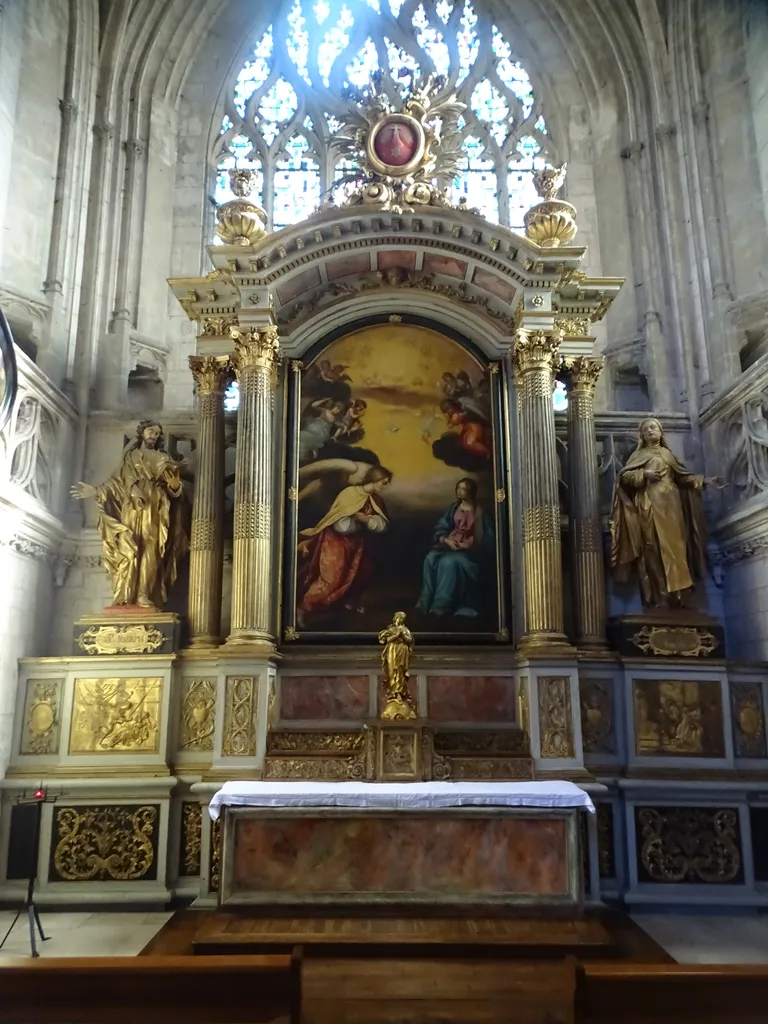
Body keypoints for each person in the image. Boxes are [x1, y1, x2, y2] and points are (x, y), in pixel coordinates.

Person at [71, 420, 188, 609]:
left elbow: (175, 490)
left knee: (150, 550)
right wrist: (95, 490)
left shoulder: (162, 458)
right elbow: (115, 483)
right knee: (129, 546)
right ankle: (124, 594)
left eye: (157, 433)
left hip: (155, 506)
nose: (153, 435)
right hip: (132, 507)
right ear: (142, 433)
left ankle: (144, 593)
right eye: (151, 431)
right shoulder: (130, 458)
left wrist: (175, 485)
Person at [610, 416, 724, 607]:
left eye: (653, 427)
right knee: (652, 548)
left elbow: (683, 477)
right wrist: (644, 474)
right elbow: (625, 477)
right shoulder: (639, 456)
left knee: (677, 549)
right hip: (648, 505)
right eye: (646, 429)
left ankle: (679, 595)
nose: (650, 431)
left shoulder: (668, 454)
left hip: (671, 505)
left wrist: (706, 480)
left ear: (661, 431)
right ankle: (660, 595)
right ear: (642, 436)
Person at [296, 464, 392, 625]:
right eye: (384, 482)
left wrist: (368, 520)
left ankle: (347, 602)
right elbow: (338, 522)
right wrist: (353, 519)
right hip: (335, 541)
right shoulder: (349, 493)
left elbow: (383, 525)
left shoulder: (375, 499)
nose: (385, 486)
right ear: (374, 479)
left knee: (358, 574)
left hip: (356, 543)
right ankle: (303, 609)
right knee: (331, 578)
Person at [416, 477, 494, 618]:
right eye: (458, 488)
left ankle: (441, 606)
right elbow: (442, 527)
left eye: (464, 489)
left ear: (471, 492)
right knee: (430, 558)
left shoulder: (480, 513)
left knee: (448, 562)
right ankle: (425, 602)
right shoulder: (453, 508)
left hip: (472, 554)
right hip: (449, 546)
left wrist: (467, 545)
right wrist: (446, 540)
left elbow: (487, 539)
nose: (460, 491)